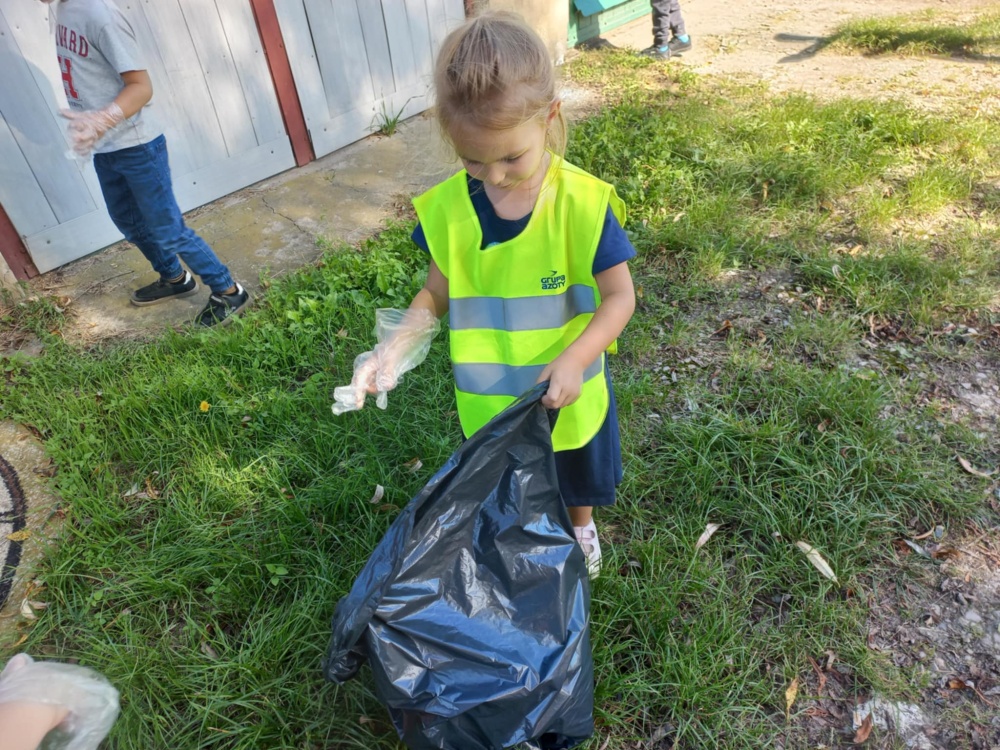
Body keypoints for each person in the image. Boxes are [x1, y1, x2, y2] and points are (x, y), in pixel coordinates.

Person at [339, 11, 636, 577]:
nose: (493, 176)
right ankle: (522, 529)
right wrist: (393, 347)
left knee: (575, 472)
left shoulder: (582, 205)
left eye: (511, 158)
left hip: (569, 388)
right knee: (507, 478)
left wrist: (576, 358)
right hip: (491, 399)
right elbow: (435, 294)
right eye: (473, 159)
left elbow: (620, 297)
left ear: (550, 118)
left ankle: (580, 527)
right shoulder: (450, 211)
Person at [40, 0, 250, 327]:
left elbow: (141, 88)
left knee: (168, 229)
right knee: (128, 221)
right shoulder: (63, 7)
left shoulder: (100, 14)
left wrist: (100, 120)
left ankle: (228, 290)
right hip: (106, 146)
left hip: (137, 146)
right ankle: (175, 278)